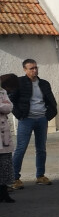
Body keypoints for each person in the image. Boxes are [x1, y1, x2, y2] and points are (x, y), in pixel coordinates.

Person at [10, 58, 58, 189]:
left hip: (42, 119)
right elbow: (11, 100)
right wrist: (19, 115)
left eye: (36, 67)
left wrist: (48, 115)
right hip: (26, 120)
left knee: (41, 148)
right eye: (31, 68)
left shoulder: (44, 83)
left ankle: (40, 176)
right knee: (21, 148)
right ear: (25, 70)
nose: (35, 70)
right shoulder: (19, 82)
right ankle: (14, 178)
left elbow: (51, 101)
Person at [0, 74, 16, 203]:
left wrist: (3, 106)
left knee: (5, 165)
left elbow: (9, 107)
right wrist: (2, 106)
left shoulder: (2, 92)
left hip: (3, 134)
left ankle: (4, 193)